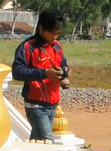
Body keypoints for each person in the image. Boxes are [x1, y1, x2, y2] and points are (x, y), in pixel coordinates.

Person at [12, 9, 70, 143]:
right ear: (40, 28)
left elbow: (63, 63)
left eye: (57, 34)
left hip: (53, 102)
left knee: (39, 142)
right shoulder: (27, 47)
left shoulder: (57, 47)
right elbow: (17, 72)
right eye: (51, 33)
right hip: (35, 103)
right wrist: (45, 73)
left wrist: (65, 71)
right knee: (48, 141)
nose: (54, 37)